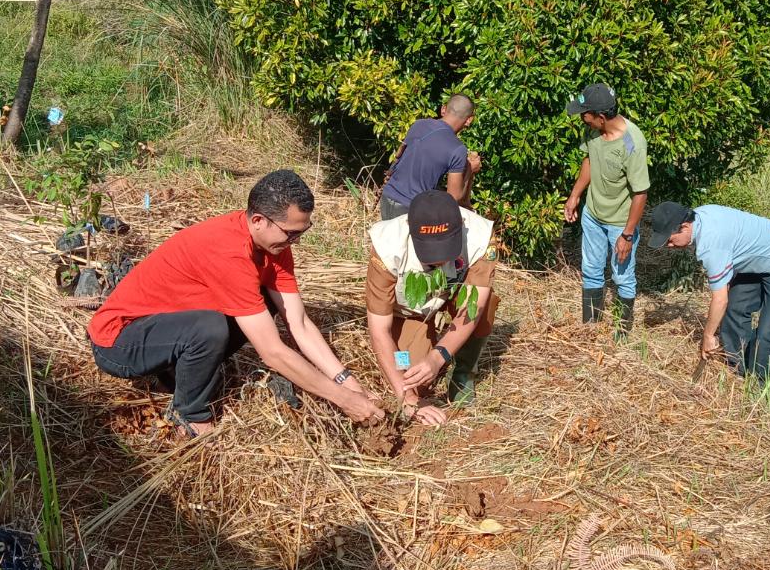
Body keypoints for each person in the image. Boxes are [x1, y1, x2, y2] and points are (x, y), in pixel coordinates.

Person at [88, 170, 385, 437]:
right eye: (291, 233)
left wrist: (351, 387)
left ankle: (176, 373)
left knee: (265, 301)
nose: (296, 241)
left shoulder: (274, 245)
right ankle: (190, 416)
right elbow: (273, 353)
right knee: (209, 328)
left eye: (302, 232)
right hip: (119, 342)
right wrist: (344, 401)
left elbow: (300, 324)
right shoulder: (229, 252)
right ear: (258, 220)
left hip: (165, 328)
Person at [365, 189, 500, 426]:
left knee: (485, 305)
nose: (439, 261)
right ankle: (420, 357)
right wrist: (406, 397)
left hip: (454, 295)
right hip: (409, 311)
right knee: (412, 376)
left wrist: (438, 357)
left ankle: (463, 373)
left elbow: (472, 307)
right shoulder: (387, 245)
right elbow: (379, 329)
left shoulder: (480, 236)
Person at [648, 202, 770, 379]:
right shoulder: (700, 215)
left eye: (670, 240)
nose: (670, 246)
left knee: (766, 332)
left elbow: (720, 299)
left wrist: (708, 336)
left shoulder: (712, 244)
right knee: (736, 309)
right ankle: (738, 371)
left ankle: (757, 384)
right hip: (758, 261)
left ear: (685, 227)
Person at [563, 83, 649, 333]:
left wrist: (627, 234)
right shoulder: (592, 133)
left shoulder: (633, 143)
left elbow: (640, 193)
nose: (582, 118)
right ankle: (590, 328)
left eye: (585, 114)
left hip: (620, 223)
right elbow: (589, 159)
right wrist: (574, 195)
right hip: (593, 215)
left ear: (601, 117)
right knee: (591, 270)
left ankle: (622, 332)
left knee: (622, 277)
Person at [380, 94, 482, 220]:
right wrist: (470, 170)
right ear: (469, 120)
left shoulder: (418, 124)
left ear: (443, 109)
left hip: (387, 197)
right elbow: (453, 198)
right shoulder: (457, 149)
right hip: (411, 209)